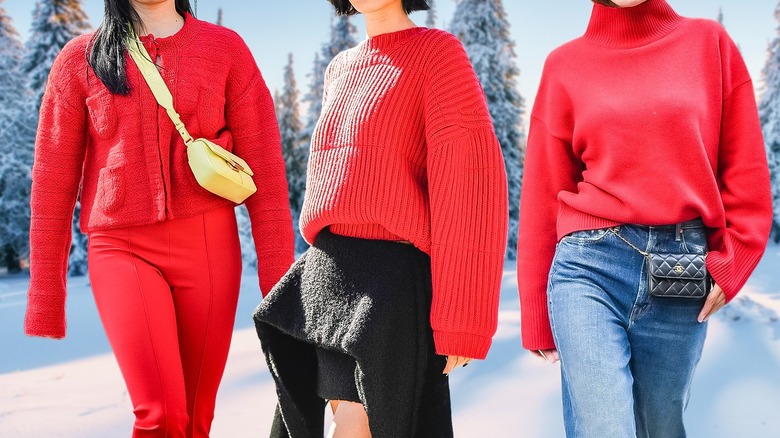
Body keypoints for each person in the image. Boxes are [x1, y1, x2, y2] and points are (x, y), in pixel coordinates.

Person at [23, 0, 294, 436]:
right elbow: (52, 180)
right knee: (161, 414)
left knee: (195, 417)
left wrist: (279, 281)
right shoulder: (80, 57)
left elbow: (264, 165)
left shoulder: (225, 48)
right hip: (120, 248)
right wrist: (45, 296)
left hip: (208, 246)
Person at [517, 0, 773, 436]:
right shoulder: (564, 64)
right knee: (605, 426)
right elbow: (543, 195)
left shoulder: (709, 44)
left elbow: (744, 167)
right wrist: (535, 310)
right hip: (588, 265)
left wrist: (732, 262)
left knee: (661, 425)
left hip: (682, 267)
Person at [253, 0, 509, 436]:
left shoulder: (437, 54)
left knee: (360, 427)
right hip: (328, 279)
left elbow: (468, 182)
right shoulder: (341, 67)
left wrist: (463, 318)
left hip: (390, 289)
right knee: (344, 426)